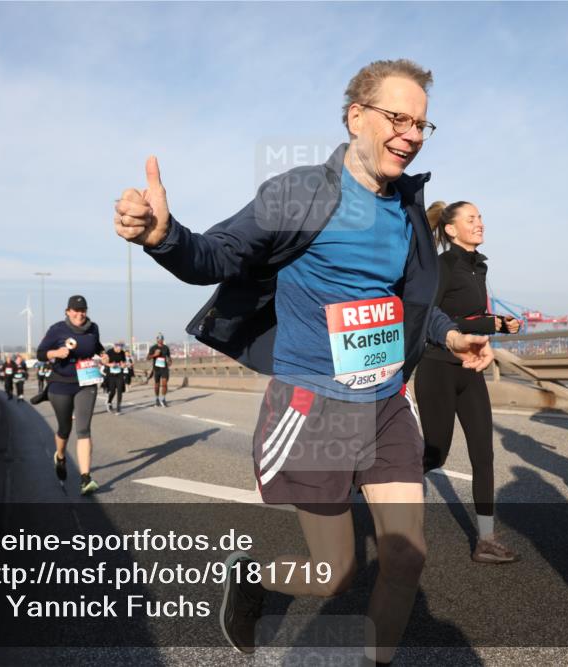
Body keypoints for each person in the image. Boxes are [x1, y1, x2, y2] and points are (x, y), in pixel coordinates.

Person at [115, 59, 493, 665]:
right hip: (317, 404)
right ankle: (253, 576)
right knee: (336, 571)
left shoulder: (404, 210)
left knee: (406, 556)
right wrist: (164, 236)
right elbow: (218, 255)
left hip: (387, 402)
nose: (412, 133)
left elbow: (404, 302)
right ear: (356, 117)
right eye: (398, 117)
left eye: (423, 124)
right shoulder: (300, 193)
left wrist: (449, 338)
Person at [414, 201, 521, 564]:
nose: (480, 224)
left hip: (469, 369)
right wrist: (485, 325)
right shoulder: (443, 265)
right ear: (450, 229)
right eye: (471, 219)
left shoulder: (479, 267)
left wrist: (496, 327)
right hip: (438, 367)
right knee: (435, 453)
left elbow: (469, 318)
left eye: (481, 218)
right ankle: (378, 483)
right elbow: (433, 312)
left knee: (483, 453)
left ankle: (485, 540)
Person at [36, 295, 109, 495]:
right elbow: (40, 353)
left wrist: (104, 355)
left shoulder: (93, 328)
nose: (80, 314)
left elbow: (97, 346)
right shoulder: (57, 329)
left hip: (86, 382)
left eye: (83, 310)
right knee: (64, 428)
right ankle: (60, 456)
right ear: (68, 311)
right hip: (60, 384)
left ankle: (85, 479)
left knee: (84, 429)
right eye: (76, 310)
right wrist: (56, 353)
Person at [148, 334, 172, 407]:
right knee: (157, 385)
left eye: (161, 339)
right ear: (157, 340)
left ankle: (163, 399)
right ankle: (157, 399)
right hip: (156, 369)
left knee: (164, 384)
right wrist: (154, 355)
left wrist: (170, 362)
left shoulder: (166, 348)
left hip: (164, 368)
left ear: (163, 340)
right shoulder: (153, 348)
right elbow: (148, 357)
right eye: (159, 339)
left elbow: (169, 357)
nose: (160, 340)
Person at [104, 342, 128, 413]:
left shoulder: (122, 353)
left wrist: (124, 365)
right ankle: (109, 402)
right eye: (118, 347)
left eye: (121, 347)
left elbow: (123, 362)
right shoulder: (109, 352)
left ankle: (118, 407)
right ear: (115, 346)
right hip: (111, 374)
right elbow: (104, 362)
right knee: (112, 391)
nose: (120, 349)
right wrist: (110, 364)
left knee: (120, 390)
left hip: (119, 373)